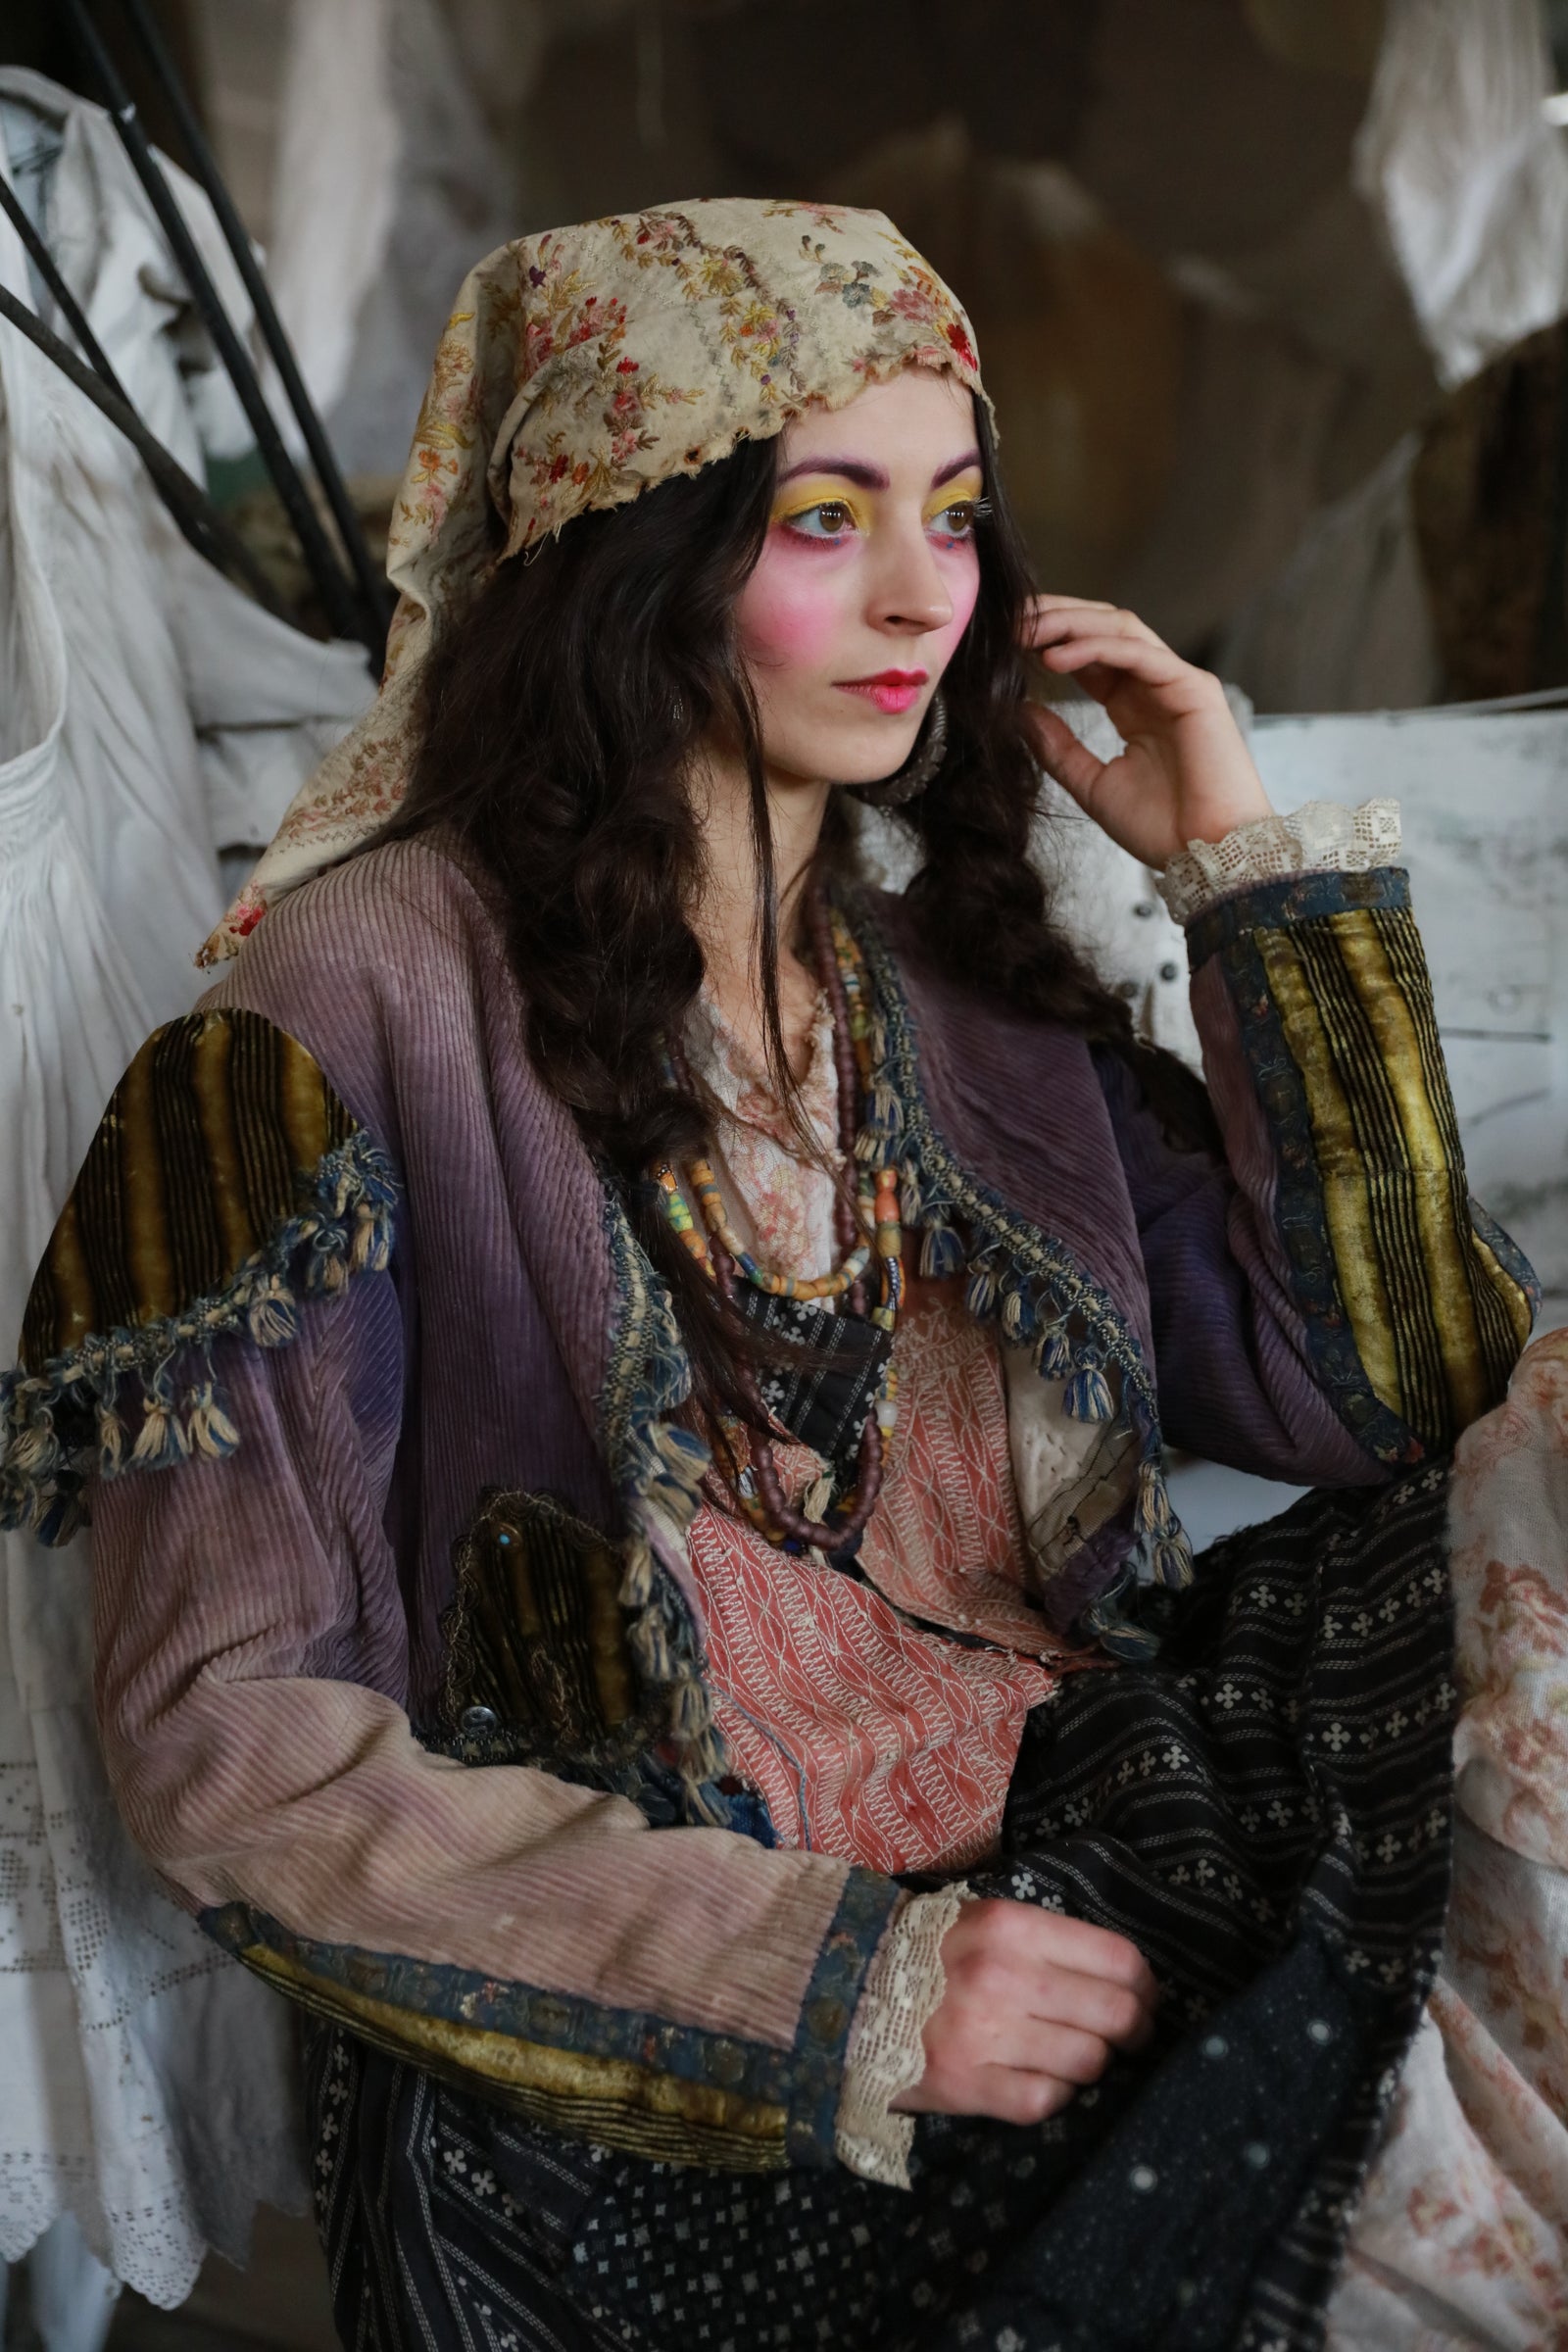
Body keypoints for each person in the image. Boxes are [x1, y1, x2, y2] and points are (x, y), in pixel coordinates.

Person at [0, 201, 1539, 2352]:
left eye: (955, 514)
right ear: (621, 555)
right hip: (669, 2024)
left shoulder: (946, 978)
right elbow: (226, 1739)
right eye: (826, 519)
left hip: (1092, 1810)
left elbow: (1400, 1394)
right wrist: (831, 1993)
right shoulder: (347, 1002)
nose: (925, 594)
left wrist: (1234, 872)